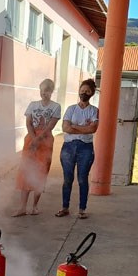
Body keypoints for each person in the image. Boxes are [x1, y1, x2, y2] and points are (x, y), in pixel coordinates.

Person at [13, 78, 61, 216]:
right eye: (41, 90)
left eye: (46, 90)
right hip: (31, 138)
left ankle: (34, 206)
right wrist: (33, 140)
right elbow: (28, 123)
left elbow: (50, 126)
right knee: (25, 171)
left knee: (40, 171)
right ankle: (22, 207)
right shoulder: (33, 105)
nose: (43, 93)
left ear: (51, 91)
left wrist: (37, 140)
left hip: (45, 141)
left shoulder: (55, 107)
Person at [56, 79, 99, 219]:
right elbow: (65, 128)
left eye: (87, 91)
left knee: (82, 179)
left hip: (85, 148)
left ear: (92, 93)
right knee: (67, 179)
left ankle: (82, 209)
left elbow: (93, 129)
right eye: (82, 91)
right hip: (68, 147)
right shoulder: (71, 109)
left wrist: (74, 127)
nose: (84, 93)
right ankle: (64, 207)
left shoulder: (94, 111)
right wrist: (83, 129)